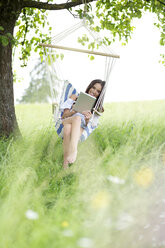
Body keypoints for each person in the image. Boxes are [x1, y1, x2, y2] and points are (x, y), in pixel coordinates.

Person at [60, 79, 105, 169]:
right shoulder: (74, 97)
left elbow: (90, 126)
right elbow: (63, 116)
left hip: (81, 126)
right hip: (68, 119)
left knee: (67, 129)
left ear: (100, 95)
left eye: (98, 91)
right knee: (77, 118)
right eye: (93, 88)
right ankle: (74, 150)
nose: (94, 91)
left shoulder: (96, 108)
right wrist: (74, 111)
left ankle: (65, 166)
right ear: (90, 86)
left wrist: (88, 119)